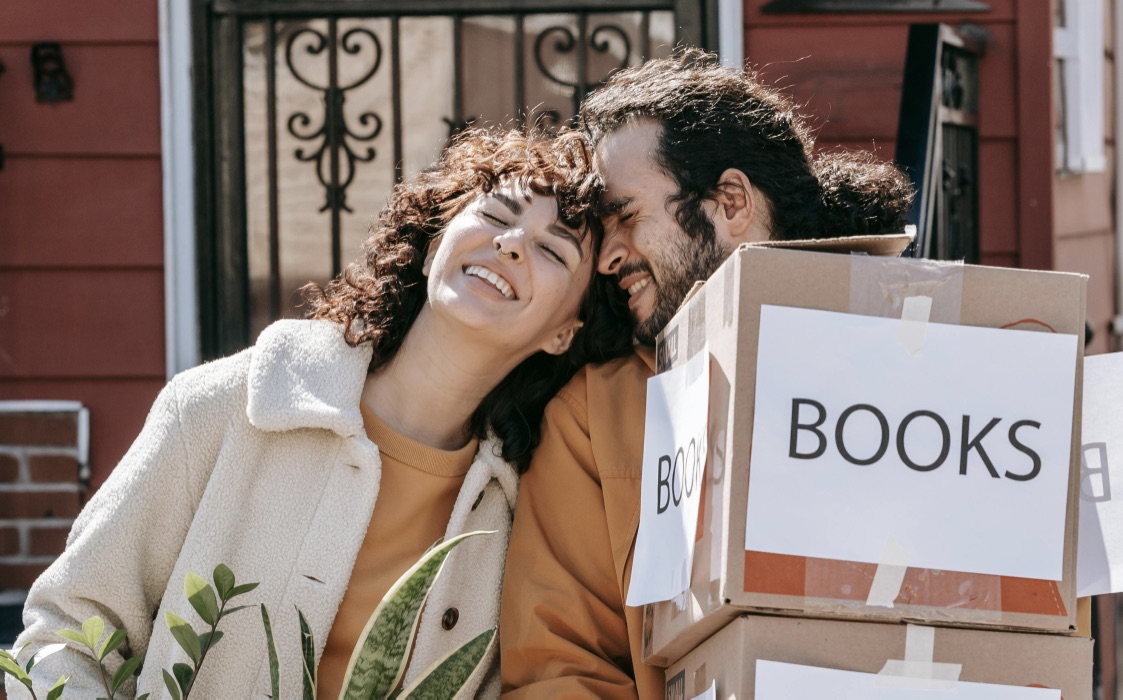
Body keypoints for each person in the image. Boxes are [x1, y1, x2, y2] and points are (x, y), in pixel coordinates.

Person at [8, 128, 633, 699]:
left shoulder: (522, 505)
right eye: (496, 214)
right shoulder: (229, 407)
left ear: (565, 333)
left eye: (553, 251)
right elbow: (68, 627)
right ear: (433, 246)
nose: (511, 244)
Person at [500, 49, 915, 697]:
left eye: (626, 216)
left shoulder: (927, 353)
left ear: (730, 201)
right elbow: (562, 668)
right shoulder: (598, 416)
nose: (606, 257)